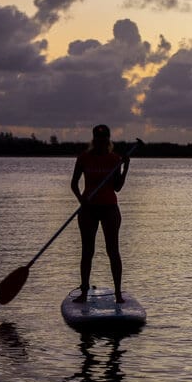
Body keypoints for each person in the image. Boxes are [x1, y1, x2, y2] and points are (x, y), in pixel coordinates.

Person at [70, 124, 130, 304]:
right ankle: (84, 292)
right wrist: (81, 199)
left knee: (113, 251)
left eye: (104, 139)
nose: (101, 142)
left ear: (108, 140)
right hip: (88, 209)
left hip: (110, 208)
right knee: (87, 251)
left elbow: (117, 187)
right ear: (93, 140)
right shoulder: (83, 158)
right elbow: (74, 184)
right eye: (98, 139)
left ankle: (118, 294)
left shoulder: (115, 159)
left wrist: (125, 167)